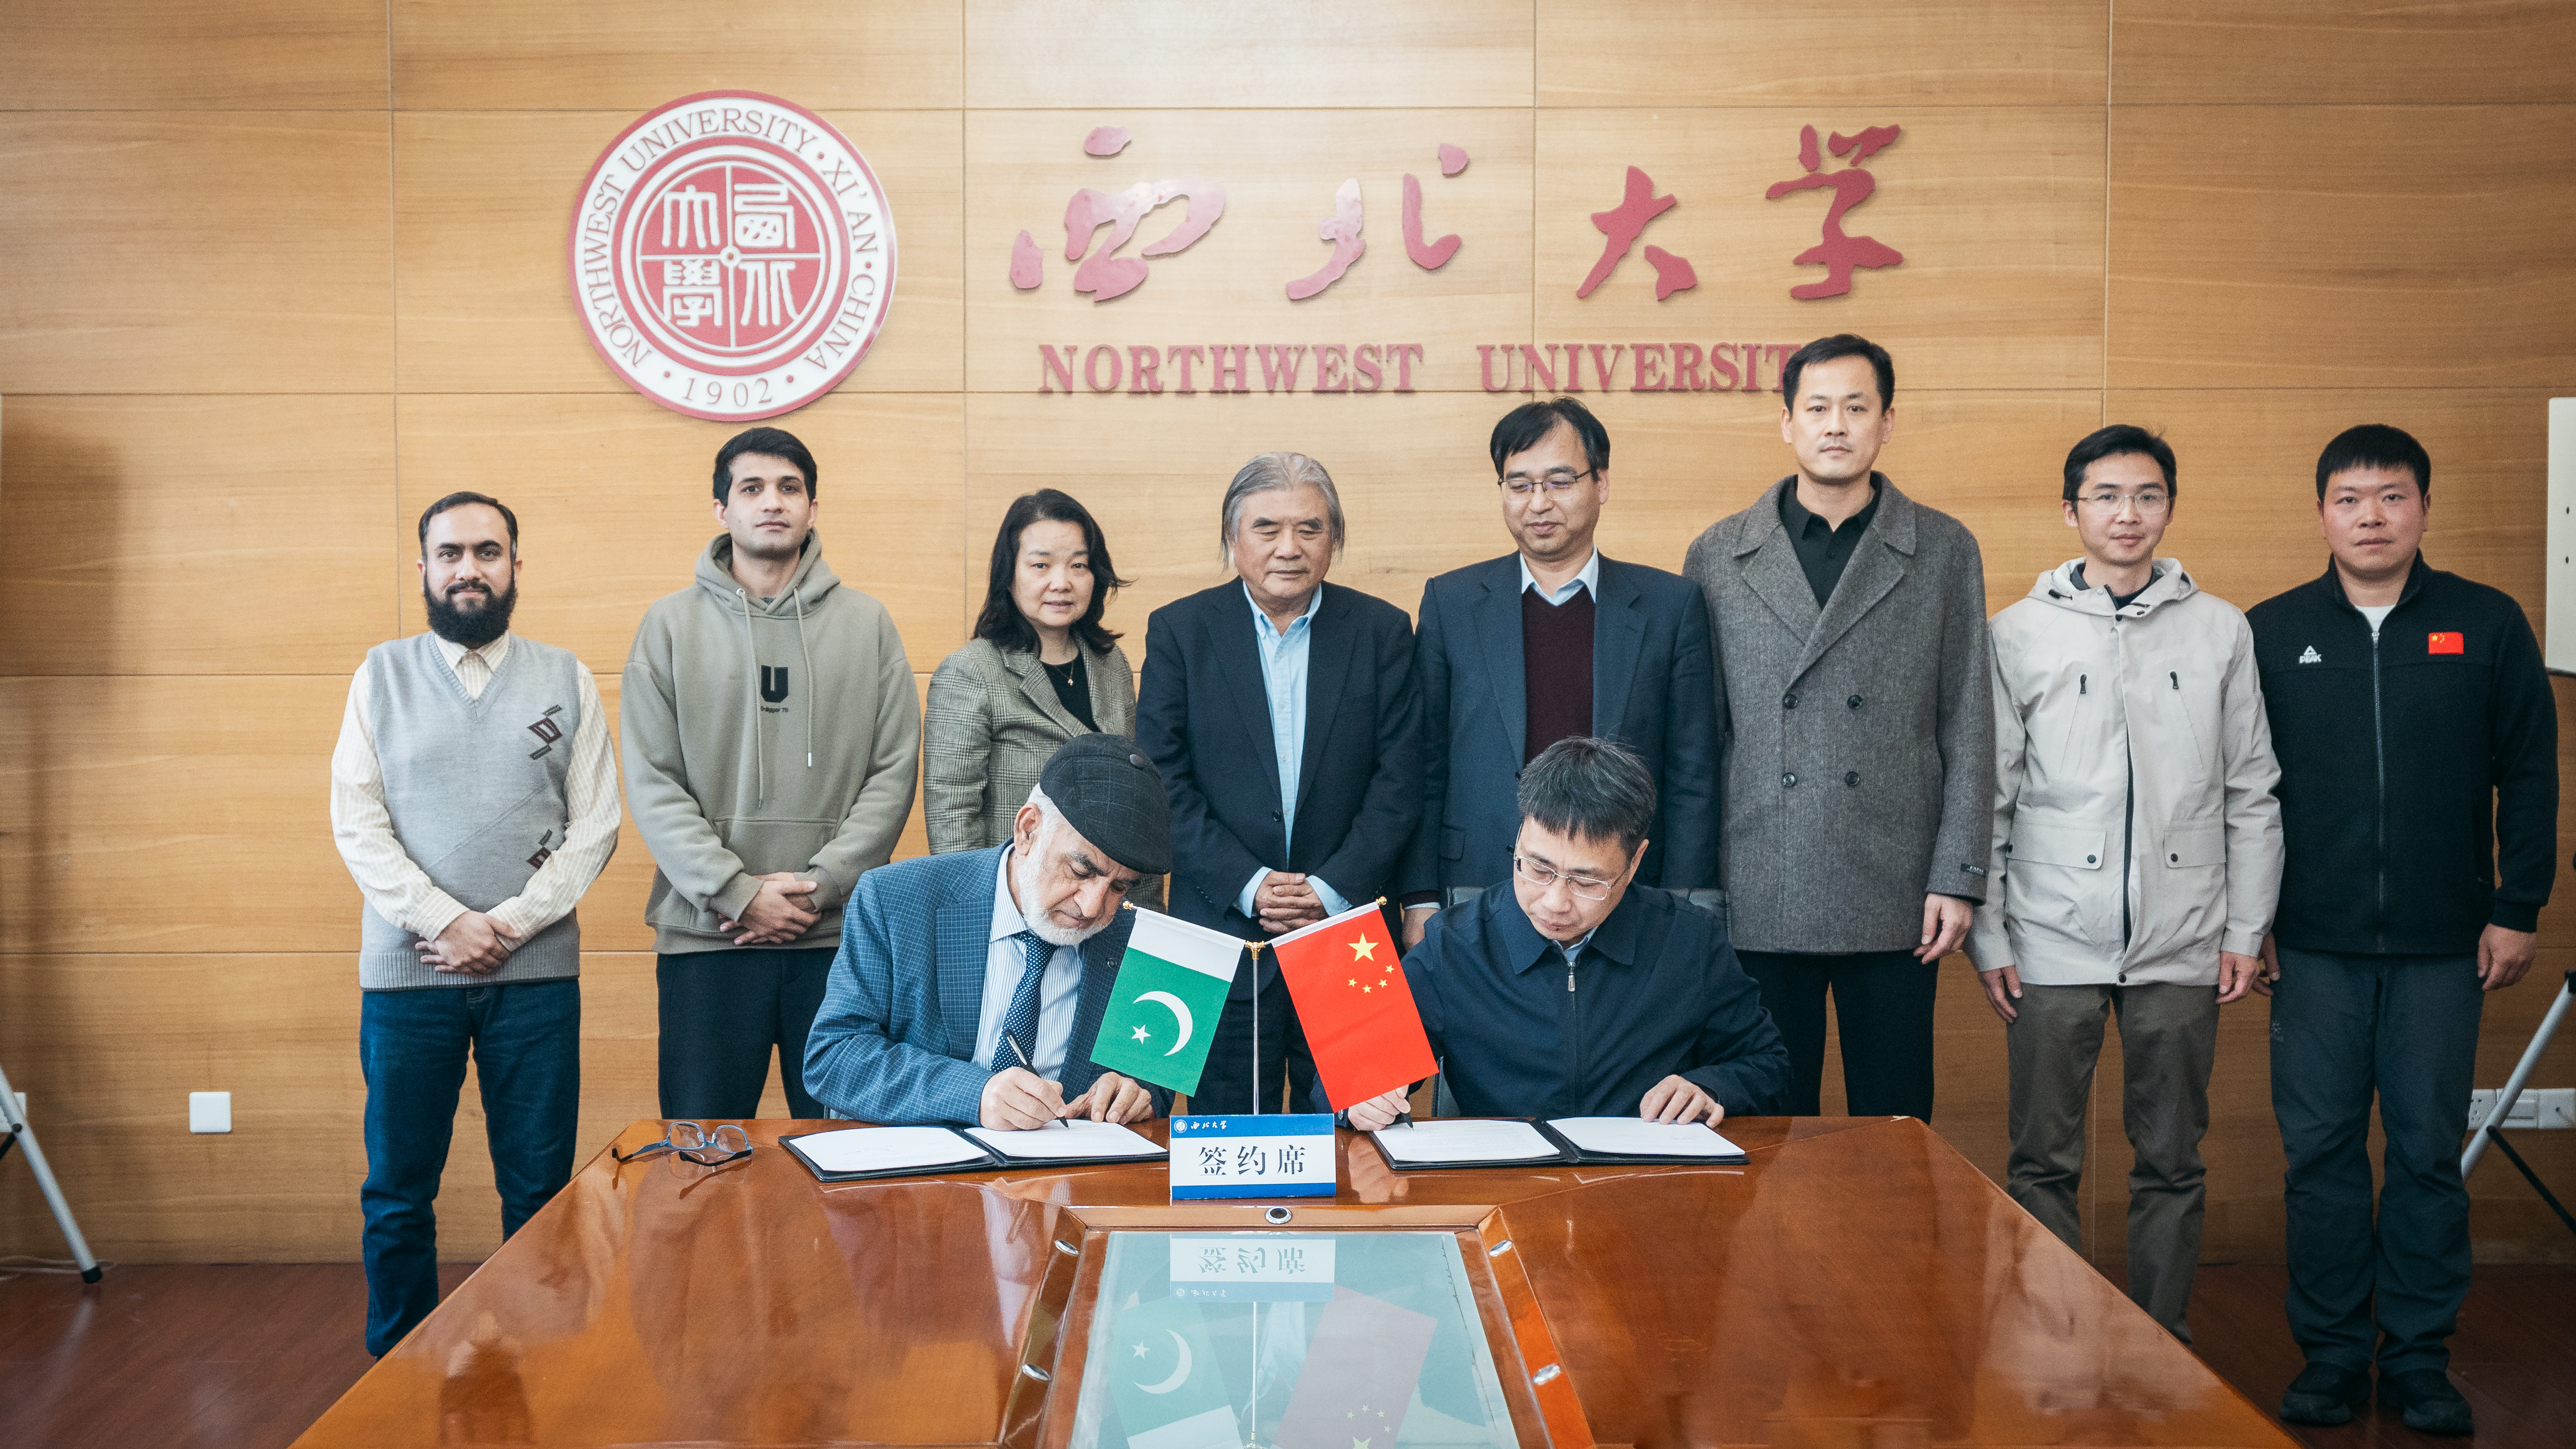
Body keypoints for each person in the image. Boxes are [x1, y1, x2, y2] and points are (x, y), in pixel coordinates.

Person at [2250, 424, 2557, 1436]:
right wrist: (2249, 921)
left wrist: (2517, 906)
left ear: (2425, 507)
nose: (2371, 517)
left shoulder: (2487, 621)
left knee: (2427, 1153)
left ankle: (2420, 1357)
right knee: (2321, 1156)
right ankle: (2333, 1356)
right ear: (2321, 514)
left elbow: (2530, 774)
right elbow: (2238, 792)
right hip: (2312, 944)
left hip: (2444, 944)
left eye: (2391, 496)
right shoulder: (2271, 631)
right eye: (2349, 499)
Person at [1966, 425, 2283, 1343]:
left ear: (2169, 508)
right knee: (2042, 1159)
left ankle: (2162, 1347)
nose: (2127, 514)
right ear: (2071, 511)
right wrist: (1990, 936)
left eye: (2146, 495)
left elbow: (2251, 790)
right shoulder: (2016, 633)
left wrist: (2245, 928)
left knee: (2174, 1158)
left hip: (2185, 935)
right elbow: (1988, 796)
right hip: (2048, 936)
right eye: (2106, 496)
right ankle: (2055, 1349)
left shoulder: (2221, 629)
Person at [329, 492, 621, 1356]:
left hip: (535, 979)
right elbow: (357, 822)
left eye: (487, 552)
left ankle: (540, 1362)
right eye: (450, 553)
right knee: (397, 1194)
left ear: (515, 567)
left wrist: (507, 927)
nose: (469, 569)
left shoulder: (566, 676)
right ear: (423, 568)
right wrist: (446, 920)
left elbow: (596, 826)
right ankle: (395, 1370)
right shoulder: (379, 675)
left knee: (538, 1193)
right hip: (406, 977)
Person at [1682, 333, 1993, 1122]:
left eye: (1856, 408)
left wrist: (1957, 875)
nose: (1835, 425)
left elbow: (1968, 720)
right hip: (1760, 875)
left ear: (1887, 422)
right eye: (1817, 407)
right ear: (1786, 422)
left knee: (1895, 1121)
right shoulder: (1718, 554)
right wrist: (1698, 887)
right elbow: (1700, 737)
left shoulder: (1944, 549)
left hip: (1896, 884)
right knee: (1764, 1117)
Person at [622, 426, 921, 1122]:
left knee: (845, 1155)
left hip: (839, 939)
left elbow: (893, 770)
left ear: (813, 507)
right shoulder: (667, 626)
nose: (772, 502)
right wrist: (737, 893)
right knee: (702, 1154)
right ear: (721, 510)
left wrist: (819, 888)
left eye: (789, 487)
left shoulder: (868, 623)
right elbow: (653, 780)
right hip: (707, 939)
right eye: (751, 488)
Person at [1134, 451, 1423, 1112]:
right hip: (1215, 927)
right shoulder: (1179, 630)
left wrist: (1327, 889)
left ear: (1334, 539)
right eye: (1267, 528)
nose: (1288, 547)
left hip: (1349, 926)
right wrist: (1251, 882)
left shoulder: (1382, 631)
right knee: (1229, 1135)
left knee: (1368, 1131)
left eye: (1310, 528)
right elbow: (1161, 777)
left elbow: (1402, 779)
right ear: (1232, 538)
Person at [1399, 397, 1721, 949]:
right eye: (1519, 484)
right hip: (1478, 880)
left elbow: (1693, 774)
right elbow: (1423, 763)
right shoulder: (1451, 603)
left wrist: (1683, 903)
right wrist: (1420, 896)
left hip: (1623, 886)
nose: (1539, 502)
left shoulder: (1669, 606)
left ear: (1601, 483)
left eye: (1559, 481)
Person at [1348, 737, 1787, 1129]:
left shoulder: (1689, 941)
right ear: (1520, 835)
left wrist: (1710, 1088)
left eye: (1586, 881)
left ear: (1635, 861)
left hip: (1646, 1179)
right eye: (1538, 869)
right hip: (1504, 1180)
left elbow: (1767, 1065)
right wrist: (1359, 1102)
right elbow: (1354, 1074)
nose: (1555, 902)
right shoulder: (1454, 947)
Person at [803, 734, 1174, 1127]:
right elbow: (833, 1057)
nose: (1093, 907)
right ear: (1028, 830)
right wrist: (974, 1094)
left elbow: (1157, 1083)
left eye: (1120, 887)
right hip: (921, 1160)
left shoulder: (1144, 942)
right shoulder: (895, 899)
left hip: (1067, 1163)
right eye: (1081, 871)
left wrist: (1134, 1092)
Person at [924, 489, 1159, 907]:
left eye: (1079, 565)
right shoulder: (971, 670)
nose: (1061, 582)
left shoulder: (1112, 664)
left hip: (1104, 905)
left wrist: (1144, 914)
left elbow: (1133, 801)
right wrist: (978, 915)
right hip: (1016, 906)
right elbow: (952, 817)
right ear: (1008, 575)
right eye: (1041, 565)